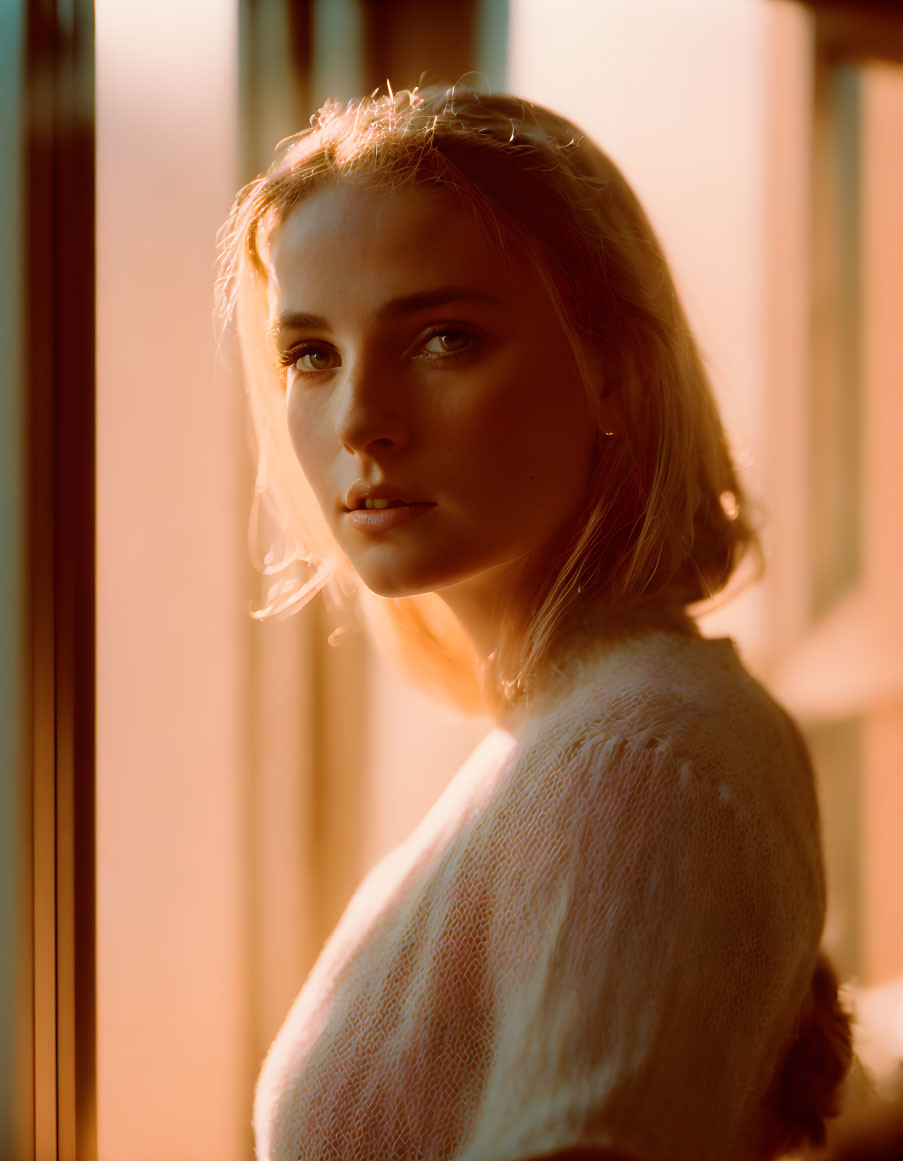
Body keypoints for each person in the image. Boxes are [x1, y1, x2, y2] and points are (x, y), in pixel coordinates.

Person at [218, 84, 853, 1161]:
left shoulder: (641, 757)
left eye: (443, 338)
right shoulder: (556, 746)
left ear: (611, 363)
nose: (361, 420)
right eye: (312, 355)